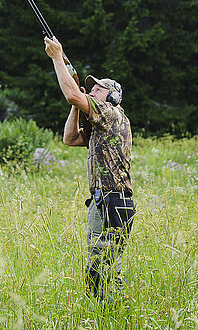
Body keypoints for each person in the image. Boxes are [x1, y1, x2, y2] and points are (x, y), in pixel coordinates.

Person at [44, 35, 135, 302]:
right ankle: (114, 315)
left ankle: (110, 315)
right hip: (106, 202)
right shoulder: (101, 127)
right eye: (90, 89)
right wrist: (78, 107)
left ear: (113, 97)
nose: (91, 91)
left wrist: (57, 58)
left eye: (98, 89)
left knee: (100, 271)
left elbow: (73, 94)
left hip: (111, 201)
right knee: (106, 270)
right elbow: (69, 139)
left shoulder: (111, 113)